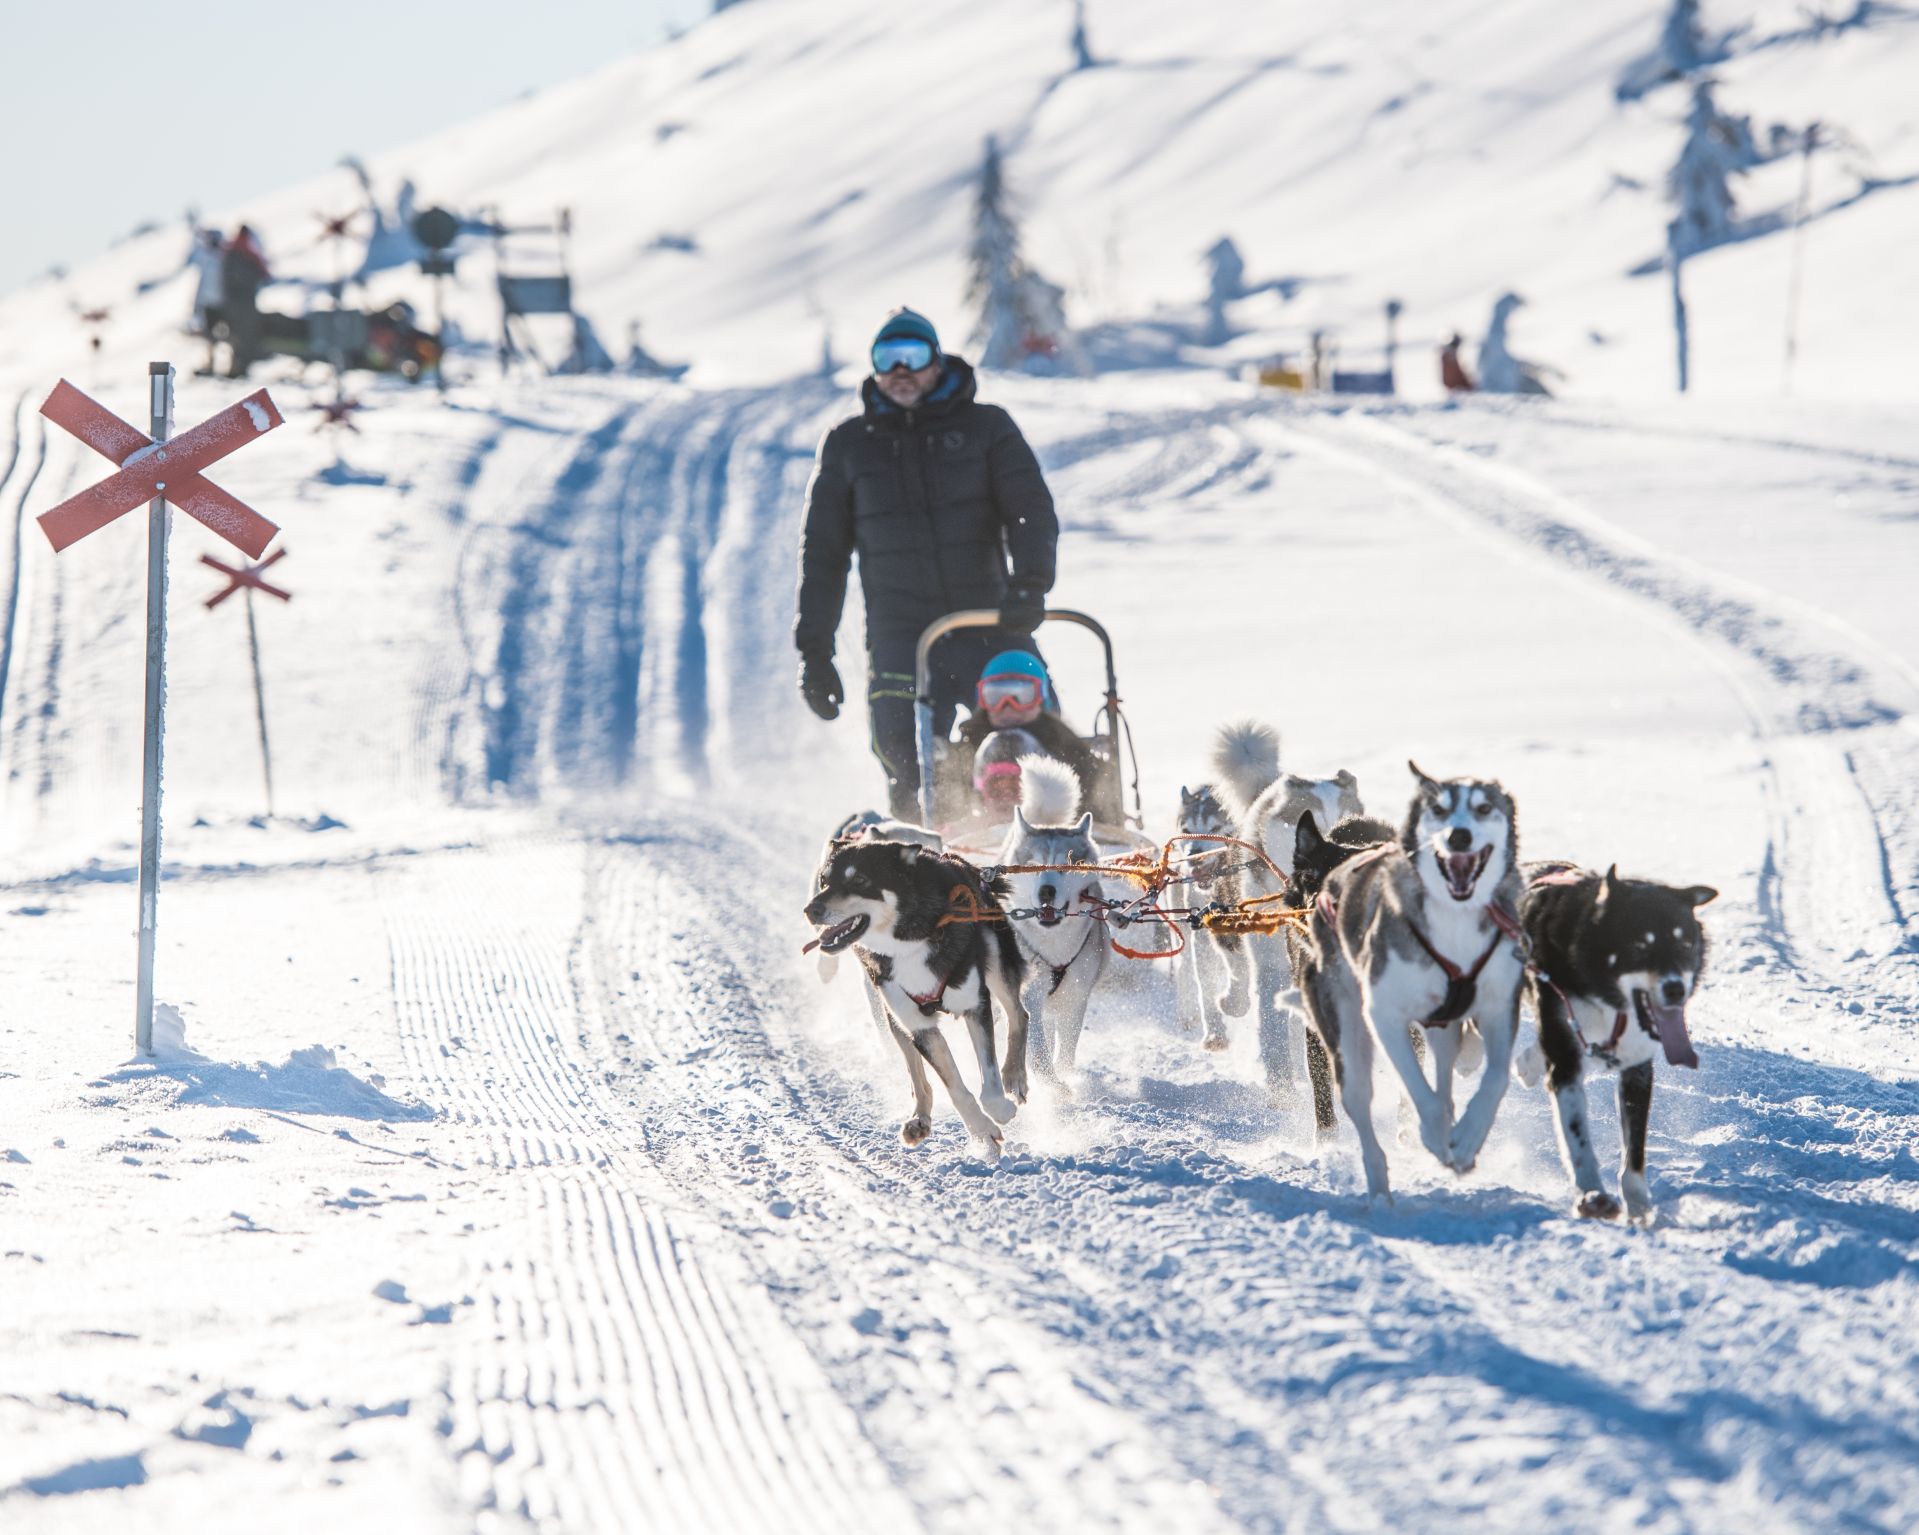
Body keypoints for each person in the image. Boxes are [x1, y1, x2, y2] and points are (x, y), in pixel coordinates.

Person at [795, 307, 1059, 820]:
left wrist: (1030, 584)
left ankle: (1068, 856)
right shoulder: (850, 446)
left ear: (937, 361)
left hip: (993, 621)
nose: (901, 370)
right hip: (903, 638)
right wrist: (815, 653)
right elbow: (823, 555)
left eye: (913, 356)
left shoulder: (987, 428)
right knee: (908, 762)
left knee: (1036, 743)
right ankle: (928, 870)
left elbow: (1030, 509)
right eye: (886, 358)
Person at [953, 649, 1101, 817]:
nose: (1007, 707)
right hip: (983, 839)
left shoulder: (1067, 749)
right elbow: (951, 804)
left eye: (1021, 696)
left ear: (1041, 697)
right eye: (995, 696)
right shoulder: (968, 749)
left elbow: (1092, 810)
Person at [219, 224, 270, 378]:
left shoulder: (232, 251)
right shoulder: (243, 251)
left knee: (239, 336)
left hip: (235, 302)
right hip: (243, 302)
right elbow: (254, 274)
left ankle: (238, 367)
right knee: (243, 336)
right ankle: (239, 367)